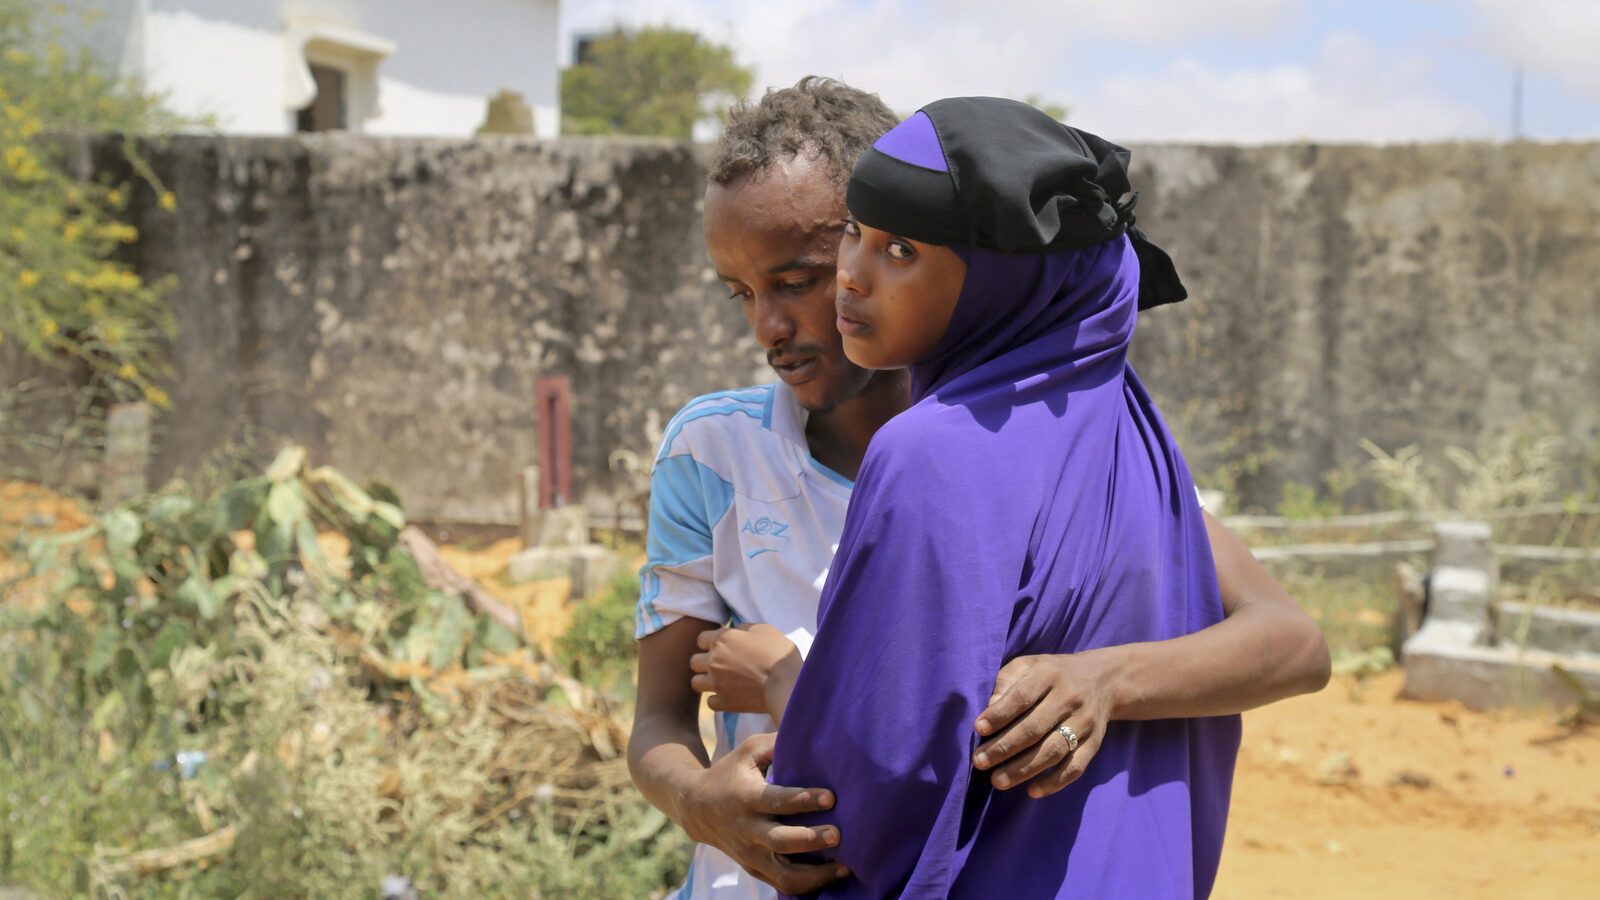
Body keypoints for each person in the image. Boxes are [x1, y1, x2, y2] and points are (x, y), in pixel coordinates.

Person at [628, 80, 1329, 900]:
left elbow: (1292, 642)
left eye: (796, 278)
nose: (769, 327)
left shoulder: (1047, 449)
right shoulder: (711, 455)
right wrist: (695, 798)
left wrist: (1104, 677)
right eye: (741, 293)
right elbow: (659, 719)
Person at [769, 96, 1250, 899]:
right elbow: (1293, 640)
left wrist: (785, 686)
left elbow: (868, 788)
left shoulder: (930, 454)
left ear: (1001, 282)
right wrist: (1106, 680)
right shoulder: (1135, 435)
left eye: (901, 250)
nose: (850, 276)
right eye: (855, 229)